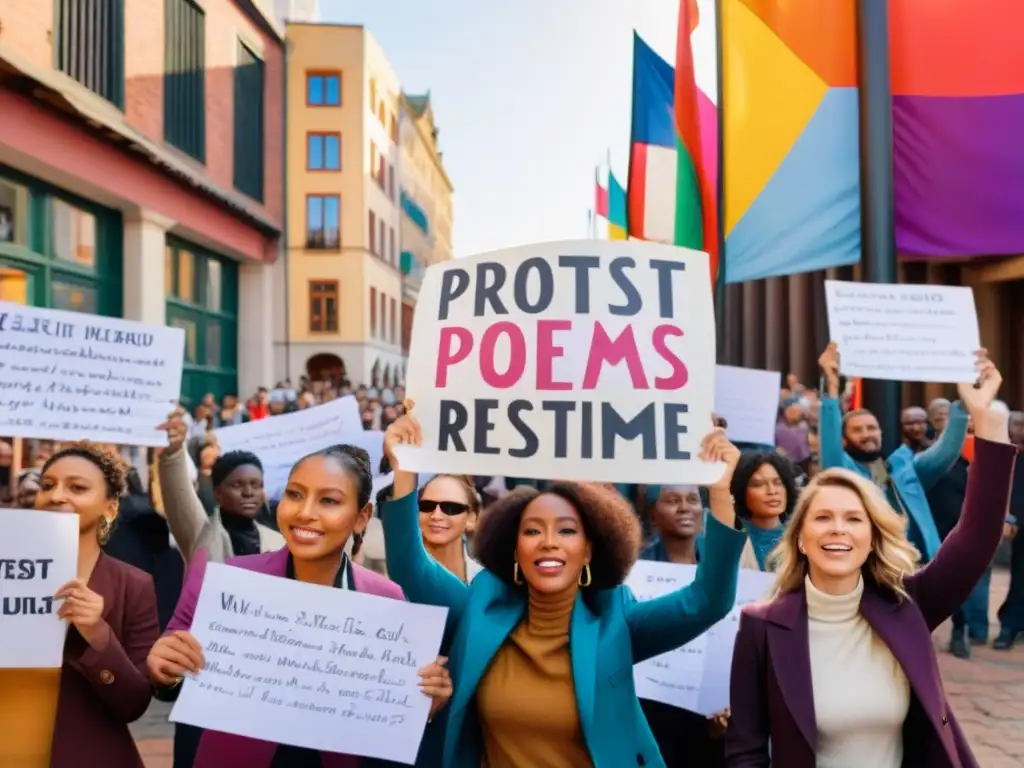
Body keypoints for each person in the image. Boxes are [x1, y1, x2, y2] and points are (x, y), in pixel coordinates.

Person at [380, 406, 749, 768]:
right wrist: (406, 467)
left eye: (567, 530)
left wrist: (719, 491)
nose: (549, 541)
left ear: (589, 550)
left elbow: (708, 600)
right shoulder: (481, 605)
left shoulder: (615, 618)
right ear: (514, 548)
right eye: (533, 530)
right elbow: (410, 565)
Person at [726, 354, 1015, 768]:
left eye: (854, 519)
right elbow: (746, 752)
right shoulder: (761, 627)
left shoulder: (909, 604)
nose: (838, 529)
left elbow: (978, 536)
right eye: (822, 518)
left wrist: (984, 417)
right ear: (802, 540)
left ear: (872, 538)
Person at [147, 444, 453, 767]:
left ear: (362, 516)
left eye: (329, 500)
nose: (305, 512)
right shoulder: (224, 581)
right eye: (295, 495)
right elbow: (173, 677)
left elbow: (391, 728)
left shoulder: (386, 600)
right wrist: (165, 671)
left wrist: (423, 705)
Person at [30, 444, 160, 767]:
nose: (57, 496)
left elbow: (134, 703)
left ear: (110, 508)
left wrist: (97, 633)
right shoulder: (9, 570)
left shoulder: (134, 585)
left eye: (77, 487)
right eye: (47, 486)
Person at [817, 341, 968, 560]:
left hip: (920, 567)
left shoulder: (903, 468)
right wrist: (830, 387)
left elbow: (945, 453)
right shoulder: (841, 473)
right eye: (858, 430)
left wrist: (964, 404)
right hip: (873, 568)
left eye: (872, 428)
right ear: (844, 440)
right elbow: (829, 443)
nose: (867, 433)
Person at [157, 417, 285, 564]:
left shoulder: (279, 544)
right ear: (217, 492)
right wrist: (173, 452)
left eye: (256, 485)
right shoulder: (201, 536)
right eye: (237, 485)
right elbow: (178, 494)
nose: (248, 492)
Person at [730, 452, 799, 571]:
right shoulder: (733, 540)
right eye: (758, 484)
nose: (772, 491)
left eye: (778, 483)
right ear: (741, 491)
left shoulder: (801, 538)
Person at [417, 474, 483, 583]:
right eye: (427, 506)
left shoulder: (486, 584)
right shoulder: (394, 574)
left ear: (471, 518)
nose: (436, 516)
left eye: (450, 508)